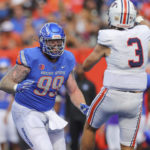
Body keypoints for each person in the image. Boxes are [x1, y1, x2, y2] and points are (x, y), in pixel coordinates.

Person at [0, 22, 89, 150]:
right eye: (51, 42)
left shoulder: (67, 58)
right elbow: (4, 83)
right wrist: (16, 87)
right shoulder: (32, 57)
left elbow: (73, 90)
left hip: (48, 111)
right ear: (42, 42)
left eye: (58, 41)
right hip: (26, 110)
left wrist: (83, 106)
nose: (56, 45)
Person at [80, 0, 150, 150]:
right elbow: (146, 25)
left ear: (113, 16)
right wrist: (137, 17)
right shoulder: (144, 32)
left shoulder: (108, 36)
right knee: (128, 144)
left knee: (90, 127)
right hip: (135, 98)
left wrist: (103, 53)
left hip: (112, 94)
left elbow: (86, 65)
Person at [66, 63, 96, 150]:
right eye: (77, 67)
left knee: (87, 141)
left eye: (80, 67)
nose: (78, 69)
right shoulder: (72, 84)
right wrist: (67, 117)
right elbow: (68, 102)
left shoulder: (90, 84)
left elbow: (94, 101)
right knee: (73, 142)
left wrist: (93, 117)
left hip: (85, 118)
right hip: (73, 117)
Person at [0, 58, 20, 150]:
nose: (3, 70)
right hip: (1, 111)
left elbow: (14, 98)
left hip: (11, 111)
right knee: (2, 140)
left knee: (14, 139)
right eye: (1, 68)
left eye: (5, 68)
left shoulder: (14, 80)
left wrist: (8, 113)